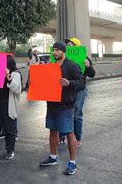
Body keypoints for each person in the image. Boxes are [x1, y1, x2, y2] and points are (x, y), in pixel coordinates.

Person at [39, 42, 83, 175]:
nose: (54, 52)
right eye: (53, 50)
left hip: (65, 105)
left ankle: (72, 162)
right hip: (52, 104)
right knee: (53, 131)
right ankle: (53, 157)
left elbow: (82, 83)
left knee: (69, 133)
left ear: (63, 51)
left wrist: (70, 83)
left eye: (57, 50)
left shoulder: (72, 66)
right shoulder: (50, 66)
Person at [59, 38, 96, 148]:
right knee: (64, 113)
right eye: (68, 45)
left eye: (71, 44)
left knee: (76, 115)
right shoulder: (62, 59)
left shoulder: (85, 58)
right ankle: (62, 135)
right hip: (65, 90)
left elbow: (92, 74)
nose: (69, 46)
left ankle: (77, 138)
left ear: (78, 46)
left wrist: (88, 66)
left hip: (79, 90)